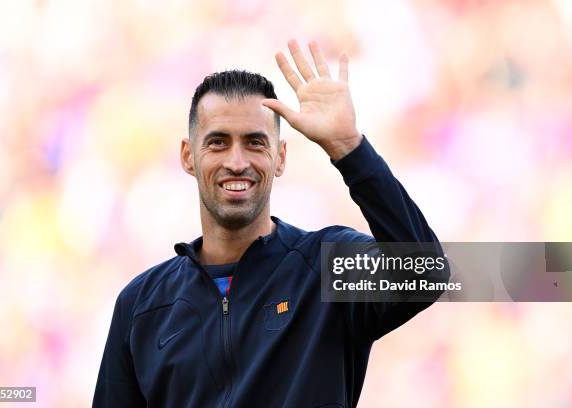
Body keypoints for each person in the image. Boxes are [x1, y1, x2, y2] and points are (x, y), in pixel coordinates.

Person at [93, 39, 448, 407]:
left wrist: (348, 148)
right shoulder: (142, 304)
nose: (236, 161)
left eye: (254, 143)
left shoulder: (325, 268)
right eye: (217, 142)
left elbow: (424, 273)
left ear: (279, 158)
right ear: (188, 156)